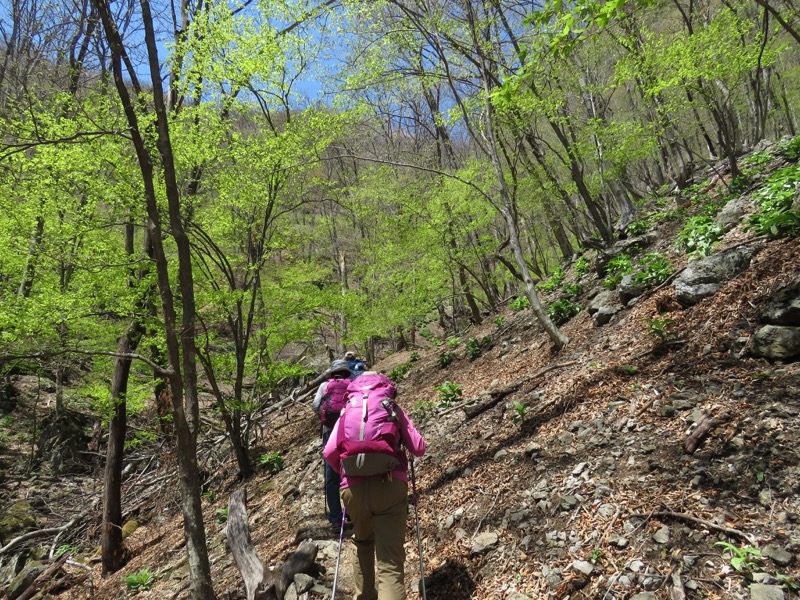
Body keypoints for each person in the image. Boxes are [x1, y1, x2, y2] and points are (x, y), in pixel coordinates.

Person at [323, 372, 427, 600]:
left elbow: (329, 452)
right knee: (389, 563)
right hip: (389, 485)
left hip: (353, 490)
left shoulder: (346, 412)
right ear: (385, 387)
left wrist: (345, 473)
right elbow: (418, 448)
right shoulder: (392, 409)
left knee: (362, 543)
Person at [311, 359, 352, 525]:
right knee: (348, 471)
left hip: (329, 433)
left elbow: (314, 406)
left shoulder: (324, 386)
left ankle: (335, 516)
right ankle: (351, 512)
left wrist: (325, 417)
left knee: (331, 475)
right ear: (346, 371)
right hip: (349, 431)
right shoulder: (352, 384)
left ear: (333, 373)